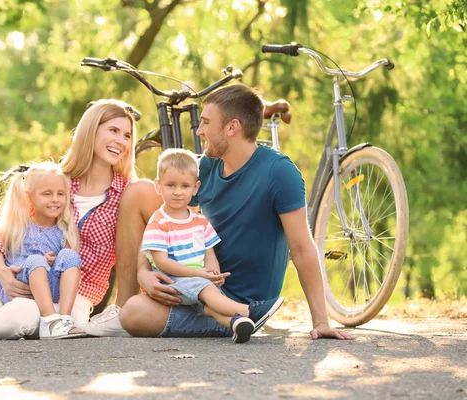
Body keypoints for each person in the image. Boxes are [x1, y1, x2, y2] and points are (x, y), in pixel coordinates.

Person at [118, 84, 354, 340]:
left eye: (206, 122)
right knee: (137, 193)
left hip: (242, 303)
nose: (199, 130)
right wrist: (144, 272)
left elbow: (302, 248)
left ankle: (241, 318)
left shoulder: (279, 172)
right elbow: (160, 217)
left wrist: (321, 321)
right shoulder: (207, 167)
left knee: (134, 314)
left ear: (232, 128)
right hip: (198, 285)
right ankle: (119, 305)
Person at [0, 99, 137, 340]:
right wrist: (1, 272)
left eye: (127, 135)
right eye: (113, 130)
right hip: (18, 279)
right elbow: (3, 229)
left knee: (22, 316)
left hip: (70, 300)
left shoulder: (128, 195)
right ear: (91, 130)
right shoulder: (56, 180)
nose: (121, 141)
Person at [141, 148, 284, 343]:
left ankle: (237, 324)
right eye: (170, 185)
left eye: (185, 186)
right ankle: (248, 311)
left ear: (195, 188)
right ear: (158, 186)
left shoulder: (200, 221)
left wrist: (213, 272)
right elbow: (162, 262)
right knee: (207, 291)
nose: (178, 192)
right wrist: (200, 275)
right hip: (173, 282)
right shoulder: (158, 222)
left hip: (197, 283)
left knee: (210, 307)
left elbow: (209, 252)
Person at [0, 162, 85, 339]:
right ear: (29, 197)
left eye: (60, 194)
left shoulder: (64, 231)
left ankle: (64, 319)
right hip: (18, 286)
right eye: (47, 194)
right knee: (35, 260)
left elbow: (63, 265)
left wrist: (52, 260)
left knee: (70, 255)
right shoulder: (16, 226)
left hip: (50, 288)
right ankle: (50, 321)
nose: (55, 199)